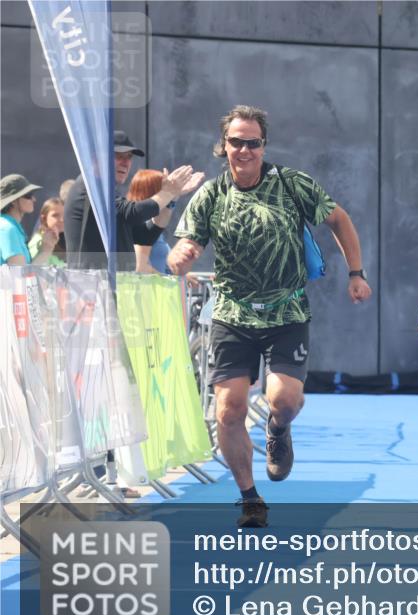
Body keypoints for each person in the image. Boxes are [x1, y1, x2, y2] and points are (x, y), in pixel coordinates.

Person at [168, 105, 372, 528]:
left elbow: (339, 219)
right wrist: (180, 254)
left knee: (283, 400)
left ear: (263, 145)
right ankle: (249, 498)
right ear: (223, 146)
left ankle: (278, 429)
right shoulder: (211, 194)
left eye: (253, 142)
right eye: (236, 142)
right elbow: (186, 244)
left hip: (287, 312)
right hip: (231, 314)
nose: (244, 150)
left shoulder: (292, 183)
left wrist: (356, 273)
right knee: (229, 409)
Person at [62, 130, 203, 270]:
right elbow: (133, 213)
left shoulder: (105, 191)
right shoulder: (90, 187)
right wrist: (167, 192)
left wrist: (172, 197)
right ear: (96, 159)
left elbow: (145, 236)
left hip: (106, 286)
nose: (126, 162)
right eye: (118, 156)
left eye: (129, 157)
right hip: (91, 286)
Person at [126, 169, 174, 274]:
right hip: (147, 288)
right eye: (162, 188)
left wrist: (180, 273)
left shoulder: (154, 222)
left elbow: (165, 260)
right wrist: (167, 280)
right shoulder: (141, 224)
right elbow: (139, 267)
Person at [0, 174, 55, 266]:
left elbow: (25, 273)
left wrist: (46, 248)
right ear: (13, 201)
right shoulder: (8, 228)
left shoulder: (8, 226)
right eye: (28, 195)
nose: (34, 199)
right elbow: (19, 275)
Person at [28, 197, 67, 267]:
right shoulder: (37, 242)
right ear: (44, 219)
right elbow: (33, 269)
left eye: (65, 215)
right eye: (55, 215)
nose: (62, 219)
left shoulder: (64, 240)